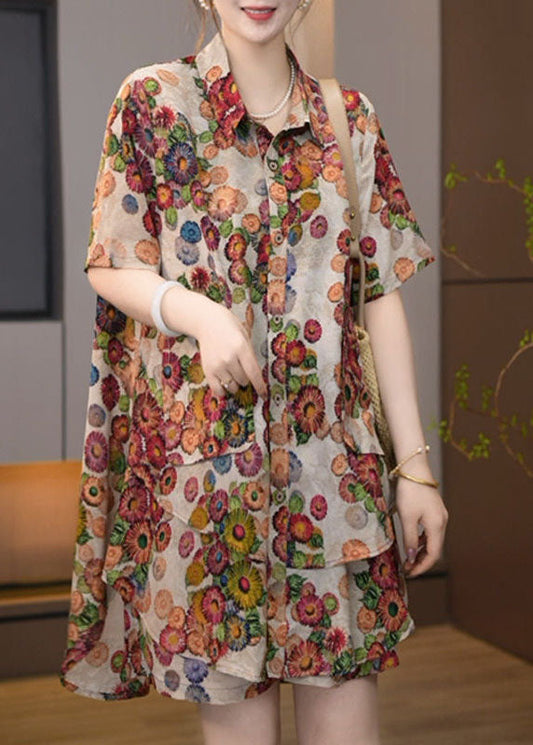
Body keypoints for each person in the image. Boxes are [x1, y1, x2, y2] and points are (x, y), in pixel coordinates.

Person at [59, 1, 448, 743]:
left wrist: (416, 470)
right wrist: (197, 314)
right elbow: (112, 259)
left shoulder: (349, 120)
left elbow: (378, 297)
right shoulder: (153, 102)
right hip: (211, 494)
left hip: (334, 490)